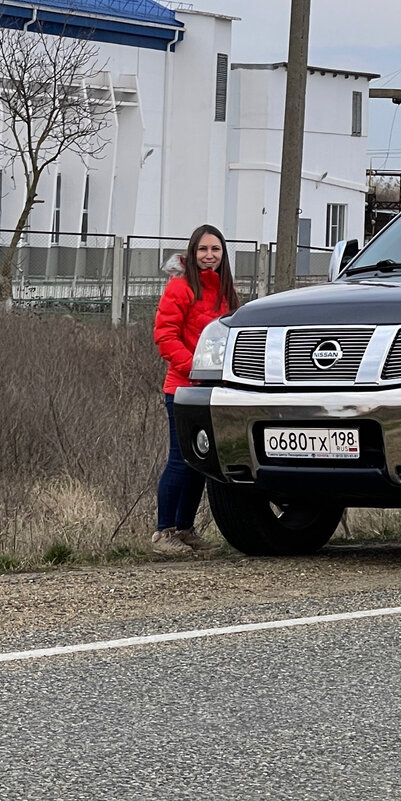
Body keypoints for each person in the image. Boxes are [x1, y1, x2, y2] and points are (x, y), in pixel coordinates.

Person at [152, 224, 241, 556]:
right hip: (182, 389)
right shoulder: (180, 288)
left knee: (200, 462)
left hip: (212, 392)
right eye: (203, 250)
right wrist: (195, 367)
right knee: (179, 459)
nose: (209, 256)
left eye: (215, 250)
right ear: (192, 252)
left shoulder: (226, 292)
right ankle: (164, 532)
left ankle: (185, 530)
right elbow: (165, 336)